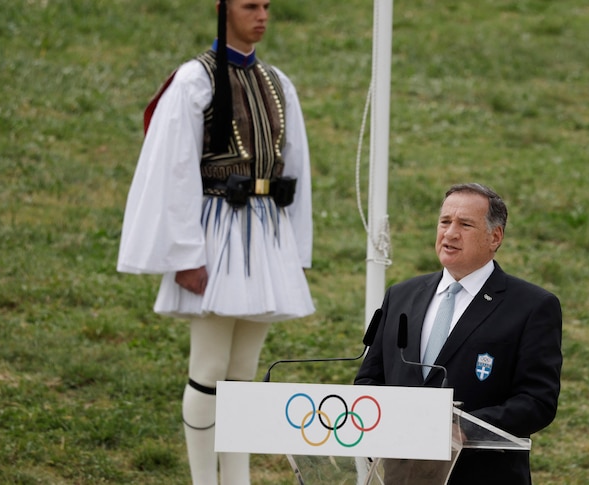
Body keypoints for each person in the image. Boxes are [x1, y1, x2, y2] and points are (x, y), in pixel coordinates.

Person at [117, 1, 314, 483]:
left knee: (243, 371)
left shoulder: (277, 83)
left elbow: (296, 167)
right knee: (209, 366)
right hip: (215, 234)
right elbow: (175, 170)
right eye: (251, 6)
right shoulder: (193, 81)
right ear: (223, 10)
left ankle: (236, 479)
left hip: (264, 236)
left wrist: (293, 250)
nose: (263, 15)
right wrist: (185, 253)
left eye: (267, 5)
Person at [354, 183, 562, 484]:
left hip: (481, 474)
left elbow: (538, 401)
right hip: (403, 475)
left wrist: (465, 427)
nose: (450, 233)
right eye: (444, 222)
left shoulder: (532, 306)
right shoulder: (401, 296)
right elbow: (369, 379)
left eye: (465, 224)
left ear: (495, 236)